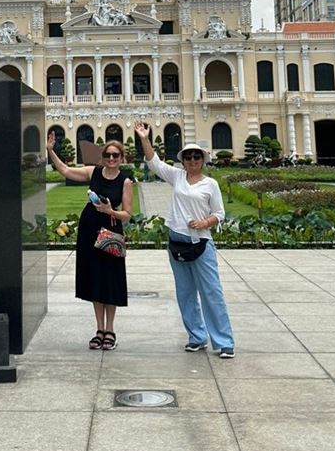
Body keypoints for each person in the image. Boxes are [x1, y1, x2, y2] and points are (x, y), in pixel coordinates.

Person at [134, 121, 235, 359]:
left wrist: (204, 223)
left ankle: (223, 341)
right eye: (188, 157)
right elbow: (154, 163)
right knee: (185, 292)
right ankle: (197, 337)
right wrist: (144, 138)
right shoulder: (177, 177)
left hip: (200, 241)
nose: (192, 161)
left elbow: (219, 214)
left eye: (196, 157)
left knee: (211, 292)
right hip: (177, 239)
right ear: (183, 161)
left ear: (203, 160)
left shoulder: (211, 184)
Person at [46, 131, 132, 350]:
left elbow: (128, 214)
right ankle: (99, 329)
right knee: (95, 279)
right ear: (102, 157)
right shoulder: (93, 172)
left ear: (122, 158)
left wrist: (110, 210)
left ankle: (110, 330)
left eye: (115, 155)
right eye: (108, 155)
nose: (111, 159)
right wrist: (50, 151)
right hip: (90, 230)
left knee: (110, 280)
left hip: (111, 233)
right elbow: (65, 170)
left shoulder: (125, 181)